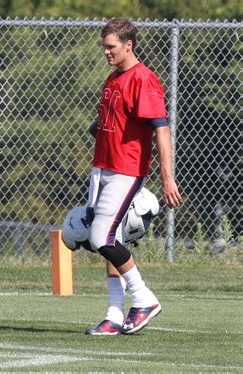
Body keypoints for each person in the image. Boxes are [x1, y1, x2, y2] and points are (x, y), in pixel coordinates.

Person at [84, 18, 182, 335]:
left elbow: (161, 129)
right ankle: (114, 313)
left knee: (102, 237)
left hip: (126, 169)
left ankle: (144, 299)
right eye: (104, 46)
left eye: (111, 47)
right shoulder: (113, 78)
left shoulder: (144, 79)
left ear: (129, 45)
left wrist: (167, 177)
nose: (106, 52)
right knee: (108, 239)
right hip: (103, 168)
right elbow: (109, 123)